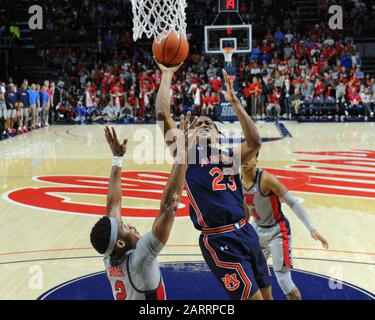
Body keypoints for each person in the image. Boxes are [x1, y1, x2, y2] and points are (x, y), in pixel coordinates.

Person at [156, 61, 272, 301]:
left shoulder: (230, 156)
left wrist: (236, 103)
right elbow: (161, 115)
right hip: (219, 239)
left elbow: (255, 142)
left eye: (209, 124)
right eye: (198, 125)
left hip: (247, 233)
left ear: (219, 135)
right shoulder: (185, 155)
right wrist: (167, 75)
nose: (205, 125)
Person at [90, 117, 192, 300]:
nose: (129, 225)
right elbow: (170, 206)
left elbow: (113, 207)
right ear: (120, 243)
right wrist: (182, 154)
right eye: (124, 227)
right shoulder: (140, 260)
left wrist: (117, 159)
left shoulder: (110, 255)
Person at [241, 153, 329, 300]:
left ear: (256, 160)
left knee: (284, 280)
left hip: (277, 231)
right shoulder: (236, 182)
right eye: (242, 156)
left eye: (249, 156)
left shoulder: (266, 179)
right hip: (257, 229)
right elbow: (245, 212)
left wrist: (312, 229)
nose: (244, 160)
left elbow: (293, 202)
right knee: (253, 276)